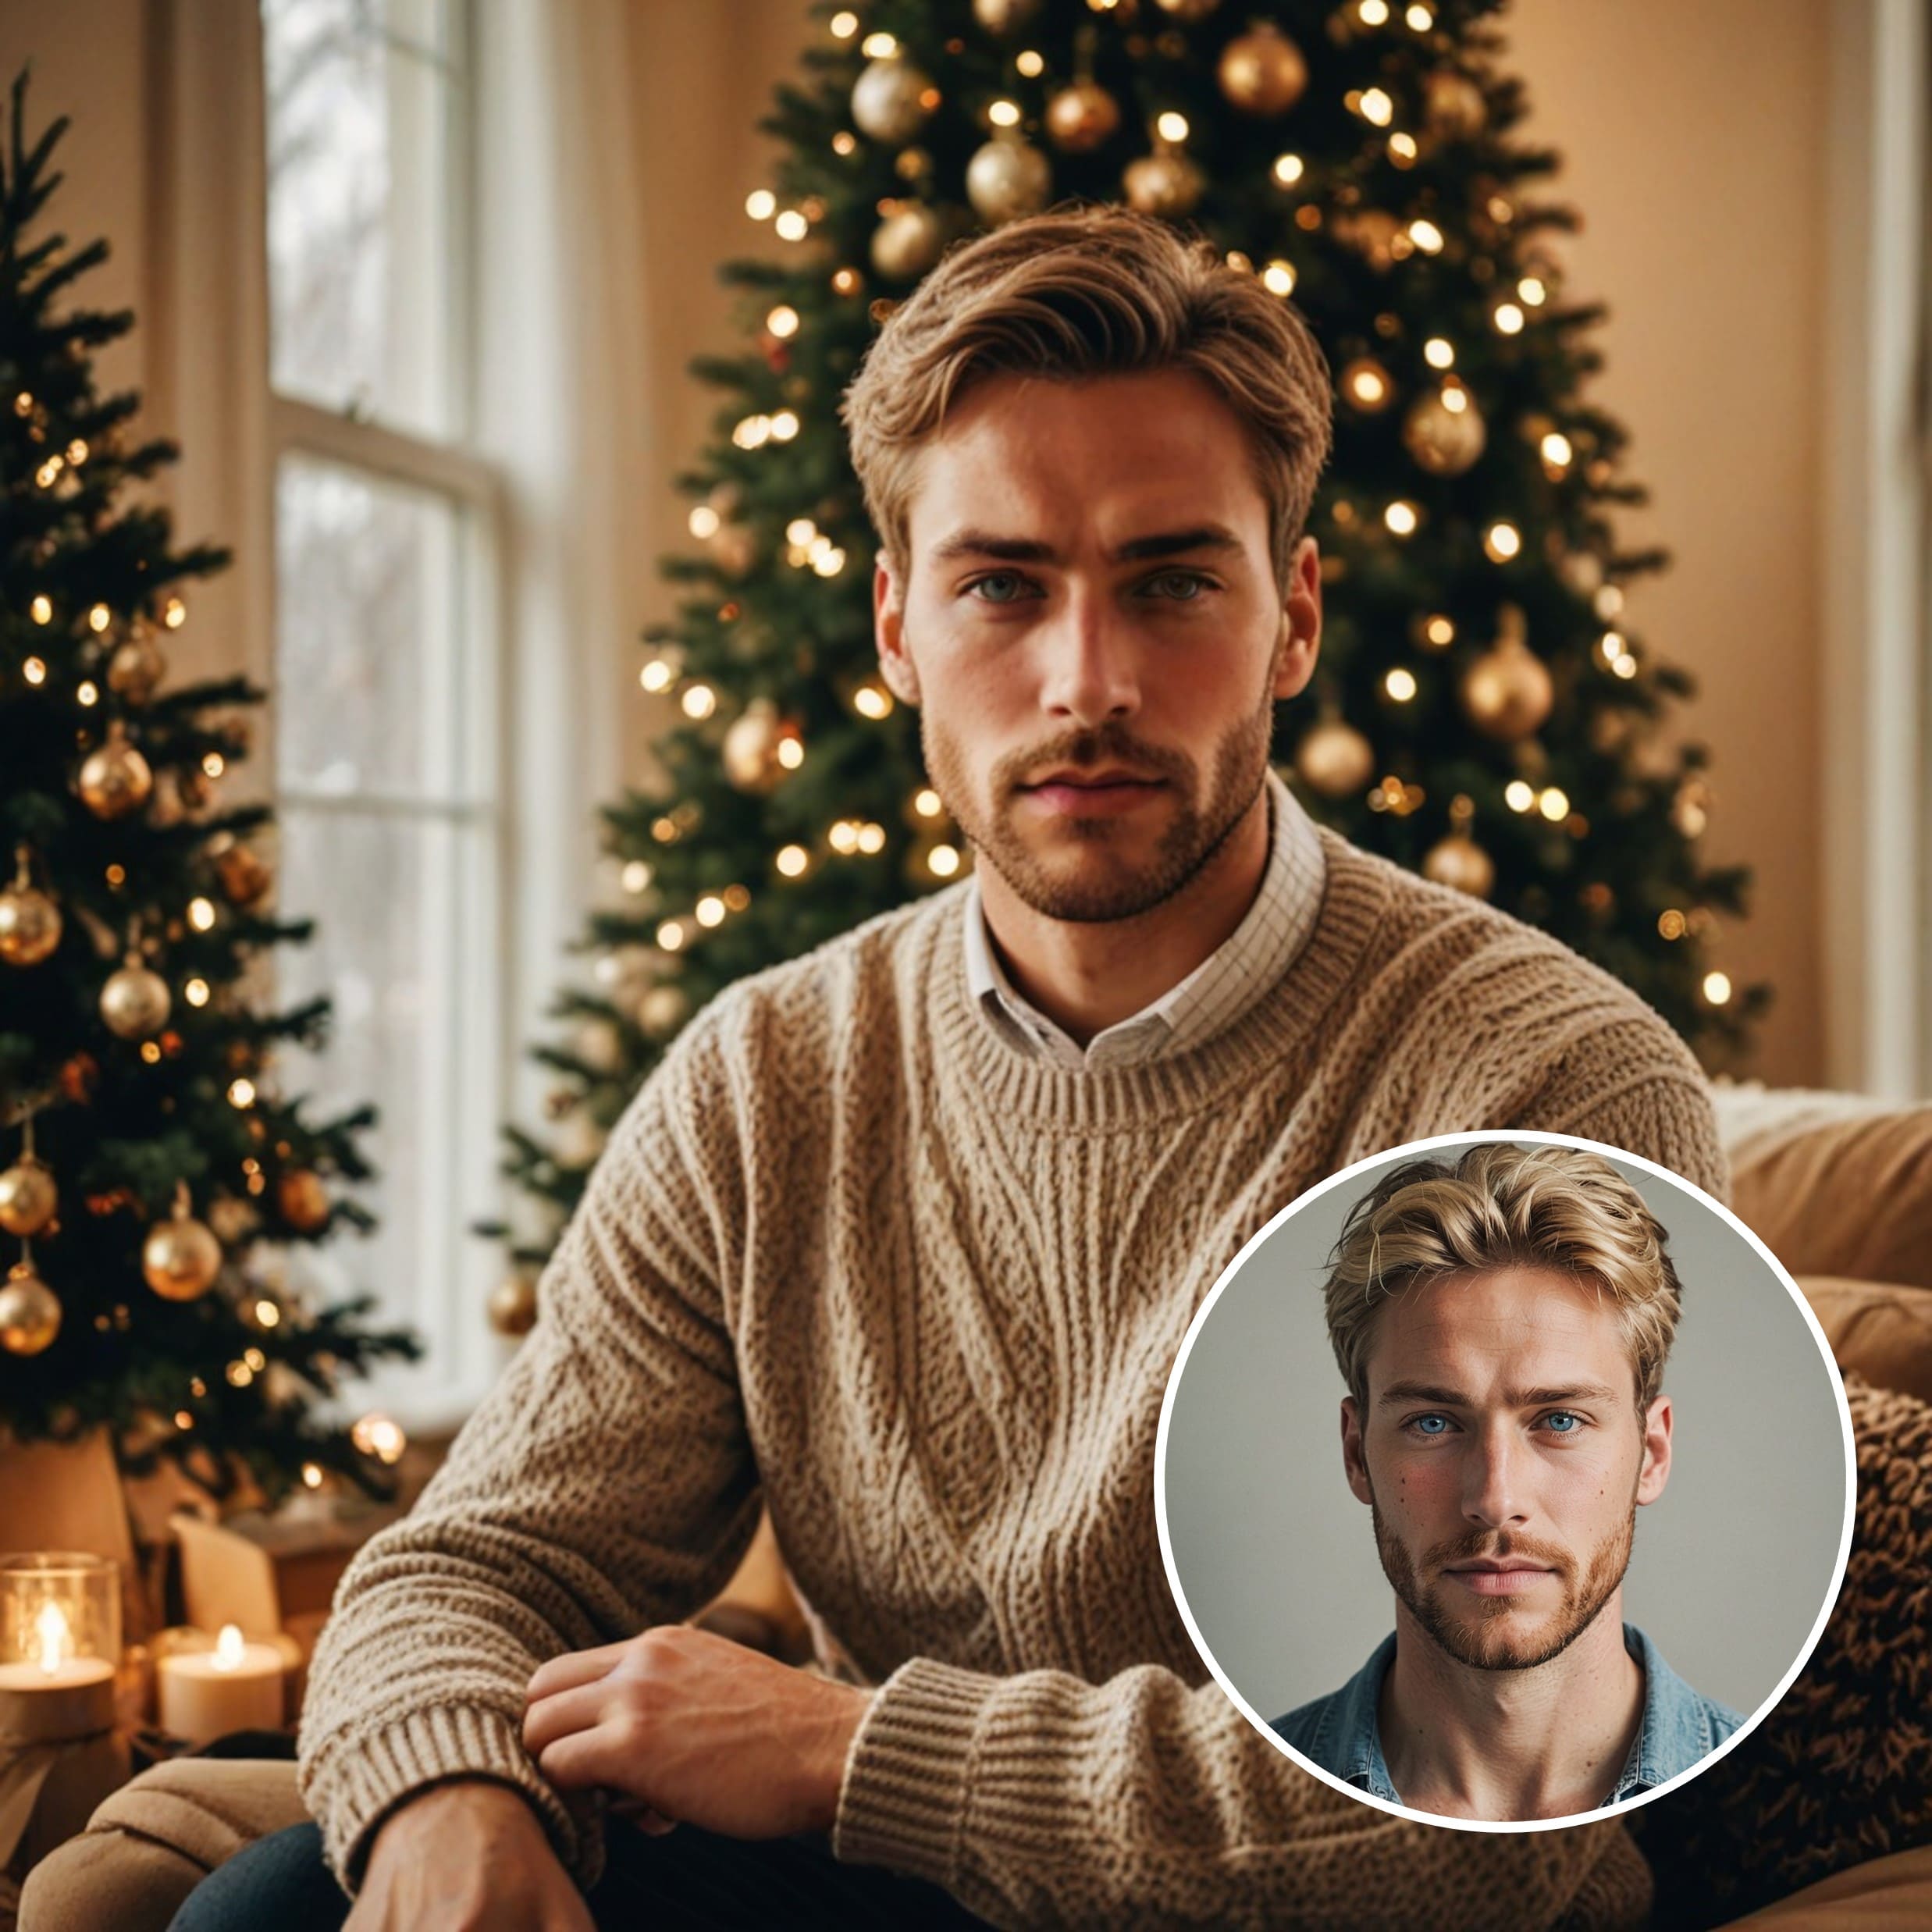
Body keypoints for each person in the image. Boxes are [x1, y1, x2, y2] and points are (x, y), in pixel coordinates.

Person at [167, 208, 1728, 1930]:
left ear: (1288, 622)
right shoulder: (765, 1080)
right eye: (1002, 585)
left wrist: (855, 1751)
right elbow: (471, 1567)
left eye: (1170, 582)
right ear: (898, 627)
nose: (1087, 682)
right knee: (268, 1911)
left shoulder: (1546, 1077)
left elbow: (1506, 1765)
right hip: (909, 1902)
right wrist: (448, 1801)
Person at [1272, 1142, 1745, 1823]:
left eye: (1559, 1419)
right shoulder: (1230, 1815)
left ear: (1652, 1453)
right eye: (1432, 1423)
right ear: (1356, 1453)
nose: (1495, 1500)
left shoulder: (1794, 1820)